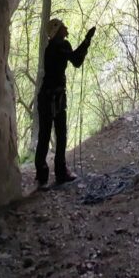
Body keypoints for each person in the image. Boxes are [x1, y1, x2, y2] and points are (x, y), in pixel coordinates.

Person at [35, 19, 96, 189]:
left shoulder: (61, 46)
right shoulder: (54, 48)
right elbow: (75, 59)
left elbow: (76, 61)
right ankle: (45, 176)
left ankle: (58, 173)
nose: (66, 28)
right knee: (46, 136)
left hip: (57, 97)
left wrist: (86, 41)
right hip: (49, 98)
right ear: (57, 32)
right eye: (63, 27)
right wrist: (86, 41)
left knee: (60, 134)